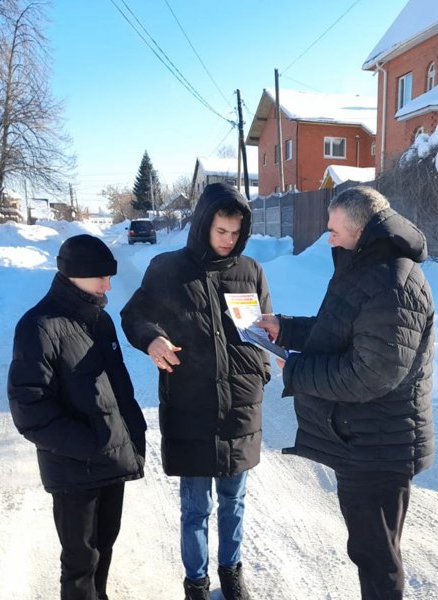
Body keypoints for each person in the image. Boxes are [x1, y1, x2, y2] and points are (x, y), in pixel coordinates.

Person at [258, 186, 435, 600]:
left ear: (359, 229)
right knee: (369, 550)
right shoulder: (365, 268)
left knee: (376, 556)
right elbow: (338, 330)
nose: (328, 237)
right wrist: (284, 327)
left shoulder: (392, 283)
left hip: (379, 447)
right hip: (362, 440)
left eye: (334, 229)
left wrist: (298, 368)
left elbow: (370, 374)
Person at [120, 182, 271, 600]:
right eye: (221, 231)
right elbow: (133, 316)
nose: (229, 241)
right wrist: (151, 338)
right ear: (204, 224)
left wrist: (262, 368)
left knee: (234, 499)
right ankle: (197, 582)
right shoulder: (167, 269)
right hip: (191, 404)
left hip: (240, 404)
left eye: (236, 233)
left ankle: (232, 571)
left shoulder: (250, 271)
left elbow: (261, 330)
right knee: (195, 506)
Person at [7, 234, 147, 600]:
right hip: (75, 467)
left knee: (104, 548)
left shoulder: (100, 321)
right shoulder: (39, 326)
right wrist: (91, 443)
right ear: (73, 274)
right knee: (79, 562)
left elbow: (118, 388)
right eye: (100, 276)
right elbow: (29, 409)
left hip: (110, 458)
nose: (108, 285)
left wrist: (131, 433)